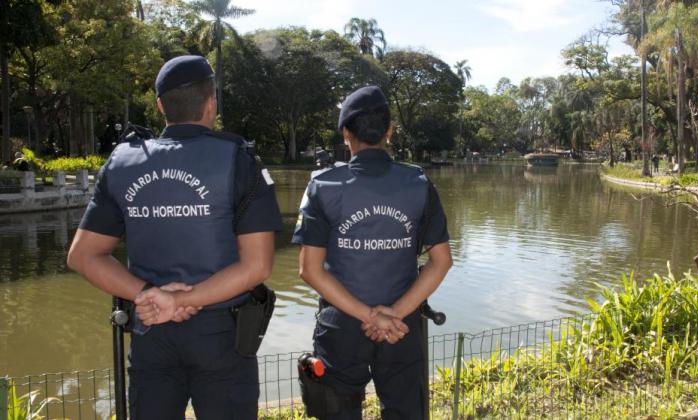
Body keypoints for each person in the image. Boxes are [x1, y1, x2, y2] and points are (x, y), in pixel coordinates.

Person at [67, 55, 283, 420]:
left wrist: (148, 296)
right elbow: (257, 265)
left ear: (160, 107)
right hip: (221, 336)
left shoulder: (122, 163)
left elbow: (83, 256)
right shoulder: (238, 159)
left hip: (151, 331)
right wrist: (189, 297)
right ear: (211, 102)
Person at [292, 86, 453, 419]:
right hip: (402, 328)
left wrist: (368, 315)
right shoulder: (419, 184)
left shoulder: (323, 186)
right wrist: (392, 315)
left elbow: (310, 269)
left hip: (341, 328)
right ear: (389, 131)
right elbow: (441, 262)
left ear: (345, 133)